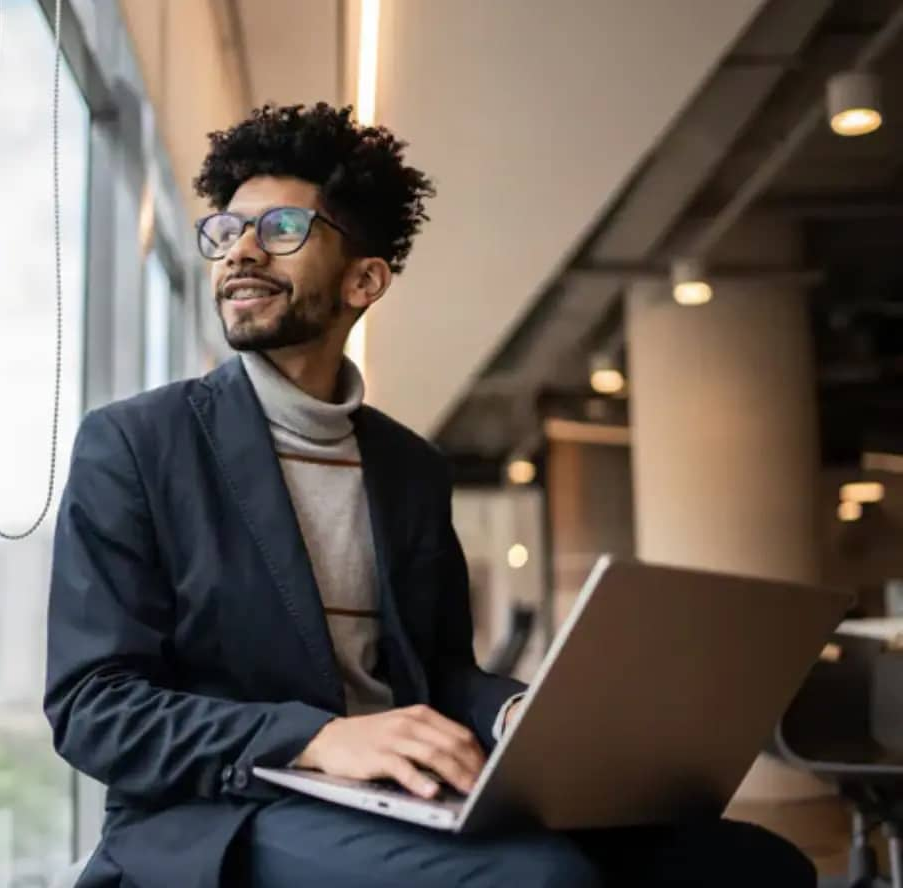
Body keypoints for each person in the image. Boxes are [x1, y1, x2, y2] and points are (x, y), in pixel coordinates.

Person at [44, 103, 814, 888]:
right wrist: (313, 739)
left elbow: (441, 671)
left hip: (393, 796)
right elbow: (93, 707)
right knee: (539, 881)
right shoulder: (136, 444)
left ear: (364, 279)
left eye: (280, 229)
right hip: (220, 813)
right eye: (226, 230)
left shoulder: (409, 468)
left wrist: (518, 717)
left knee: (755, 865)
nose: (240, 250)